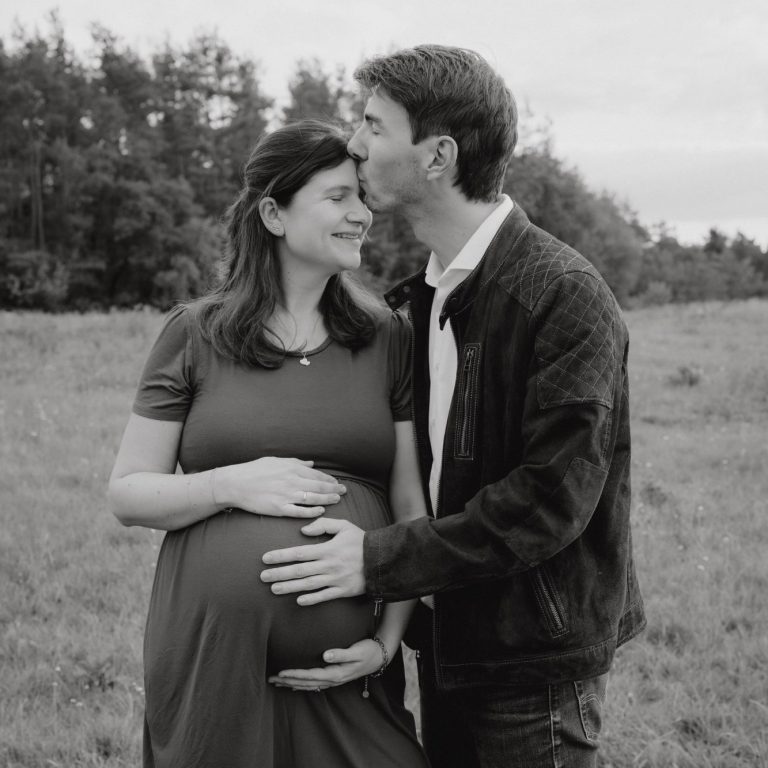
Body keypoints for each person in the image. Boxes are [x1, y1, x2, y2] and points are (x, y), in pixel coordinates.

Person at [260, 45, 646, 768]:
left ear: (437, 156)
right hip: (446, 642)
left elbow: (548, 504)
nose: (354, 143)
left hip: (531, 665)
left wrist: (377, 561)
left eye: (374, 124)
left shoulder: (564, 295)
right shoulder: (418, 300)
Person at [107, 119, 430, 768]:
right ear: (274, 214)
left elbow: (410, 509)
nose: (361, 214)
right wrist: (229, 484)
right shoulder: (196, 333)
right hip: (213, 668)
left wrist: (388, 642)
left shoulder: (386, 338)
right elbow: (128, 492)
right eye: (337, 197)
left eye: (361, 197)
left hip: (348, 674)